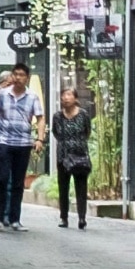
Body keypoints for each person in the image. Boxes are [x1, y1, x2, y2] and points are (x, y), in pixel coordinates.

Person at [0, 62, 42, 227]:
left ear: (27, 78)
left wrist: (39, 139)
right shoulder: (3, 95)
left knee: (18, 182)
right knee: (1, 179)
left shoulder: (32, 97)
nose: (18, 78)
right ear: (12, 76)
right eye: (15, 74)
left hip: (23, 144)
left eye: (22, 75)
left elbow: (40, 118)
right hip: (3, 142)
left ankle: (15, 219)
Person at [52, 82, 94, 229]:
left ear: (75, 98)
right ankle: (64, 217)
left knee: (81, 187)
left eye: (69, 95)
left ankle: (82, 217)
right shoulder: (57, 116)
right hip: (63, 156)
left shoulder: (83, 114)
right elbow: (56, 133)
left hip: (80, 155)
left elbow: (87, 131)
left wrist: (78, 144)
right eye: (63, 96)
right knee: (63, 187)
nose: (65, 98)